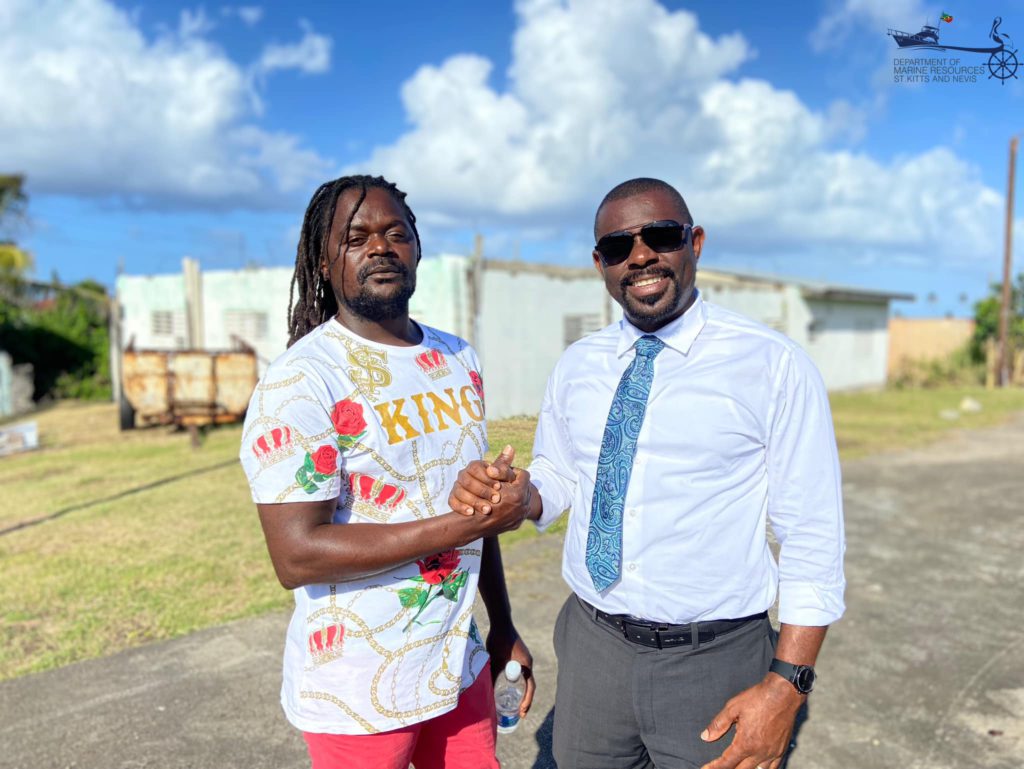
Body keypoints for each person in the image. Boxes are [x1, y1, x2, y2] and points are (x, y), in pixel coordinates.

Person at [449, 178, 846, 769]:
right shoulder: (578, 365)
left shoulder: (773, 365)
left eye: (660, 236)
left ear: (695, 243)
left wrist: (788, 685)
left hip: (714, 659)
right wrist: (523, 493)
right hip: (593, 648)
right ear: (600, 265)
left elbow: (812, 533)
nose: (639, 256)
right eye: (618, 246)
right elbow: (561, 474)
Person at [239, 174, 535, 769]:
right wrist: (466, 525)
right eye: (356, 238)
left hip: (456, 662)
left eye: (396, 233)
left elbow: (475, 510)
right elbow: (297, 555)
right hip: (357, 686)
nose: (380, 247)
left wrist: (501, 623)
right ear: (324, 262)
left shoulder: (456, 357)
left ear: (418, 248)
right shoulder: (302, 380)